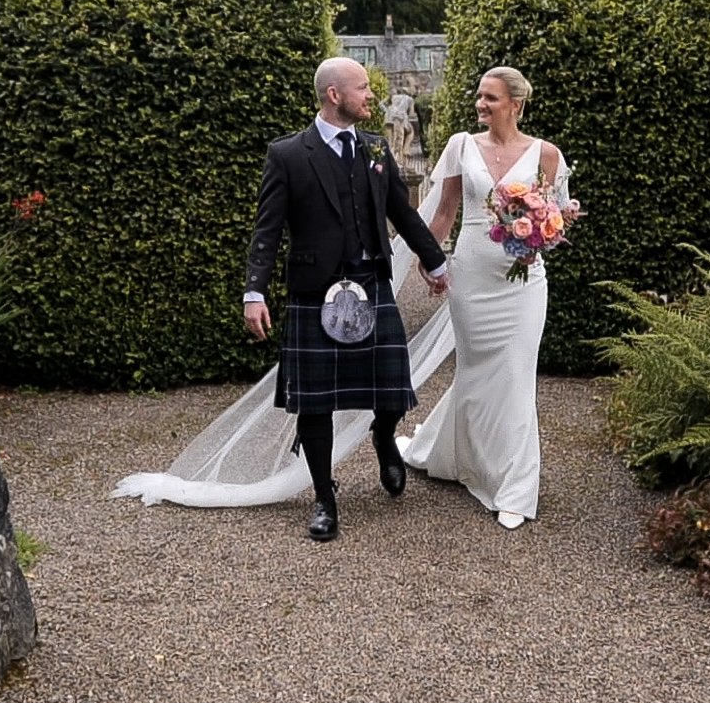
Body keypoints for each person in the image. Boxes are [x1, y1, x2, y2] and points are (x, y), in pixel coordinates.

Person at [240, 57, 449, 541]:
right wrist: (255, 291)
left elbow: (403, 212)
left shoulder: (375, 148)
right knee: (315, 405)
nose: (370, 95)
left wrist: (435, 261)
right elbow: (267, 230)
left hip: (371, 282)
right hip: (316, 291)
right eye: (362, 88)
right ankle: (323, 497)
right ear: (334, 95)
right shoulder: (288, 154)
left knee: (393, 386)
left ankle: (384, 436)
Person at [398, 67, 573, 530]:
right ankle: (459, 457)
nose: (481, 104)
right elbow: (445, 212)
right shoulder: (461, 146)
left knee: (516, 374)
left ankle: (515, 487)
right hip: (472, 275)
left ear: (516, 104)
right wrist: (428, 258)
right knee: (475, 373)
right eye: (479, 96)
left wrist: (548, 229)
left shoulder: (546, 154)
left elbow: (556, 219)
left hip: (523, 282)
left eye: (491, 98)